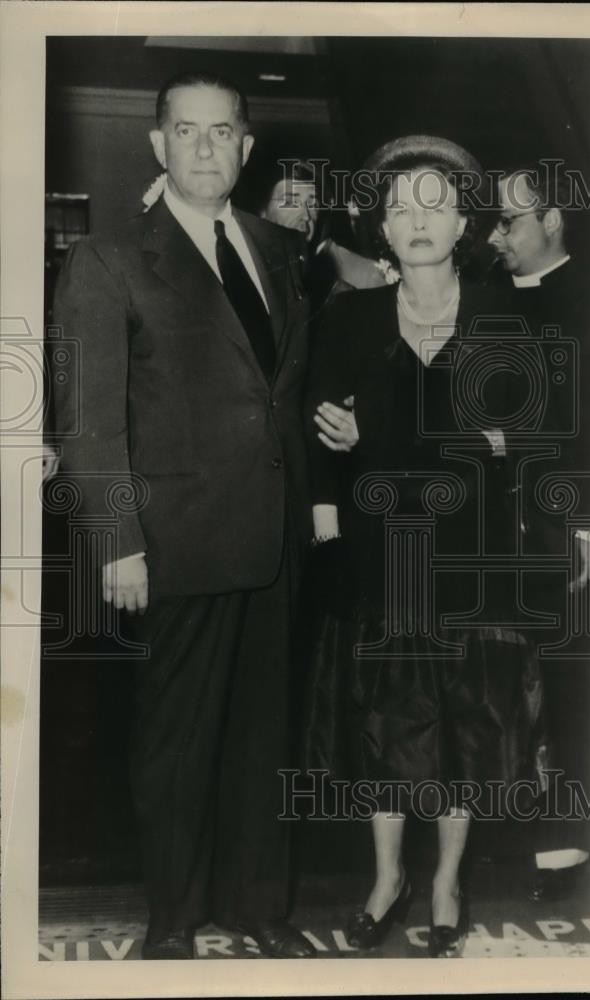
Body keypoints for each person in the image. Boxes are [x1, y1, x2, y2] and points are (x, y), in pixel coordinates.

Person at [52, 71, 317, 959]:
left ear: (247, 146)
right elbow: (89, 418)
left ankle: (255, 905)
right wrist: (116, 540)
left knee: (260, 736)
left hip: (272, 538)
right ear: (158, 144)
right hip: (173, 542)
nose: (206, 148)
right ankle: (171, 919)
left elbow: (282, 395)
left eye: (223, 132)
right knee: (175, 742)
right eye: (186, 131)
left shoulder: (279, 249)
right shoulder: (110, 257)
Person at [304, 136, 549, 958]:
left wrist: (396, 438)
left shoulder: (504, 316)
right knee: (384, 724)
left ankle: (444, 880)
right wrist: (342, 452)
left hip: (470, 559)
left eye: (433, 205)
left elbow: (529, 437)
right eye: (399, 206)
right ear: (380, 224)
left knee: (462, 728)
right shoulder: (348, 316)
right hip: (381, 555)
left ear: (463, 223)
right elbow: (323, 433)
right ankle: (386, 880)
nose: (416, 220)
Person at [486, 164, 590, 899]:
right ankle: (515, 833)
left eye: (510, 222)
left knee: (563, 685)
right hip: (497, 526)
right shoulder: (491, 301)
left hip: (566, 525)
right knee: (505, 684)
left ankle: (565, 845)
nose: (496, 236)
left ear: (552, 222)